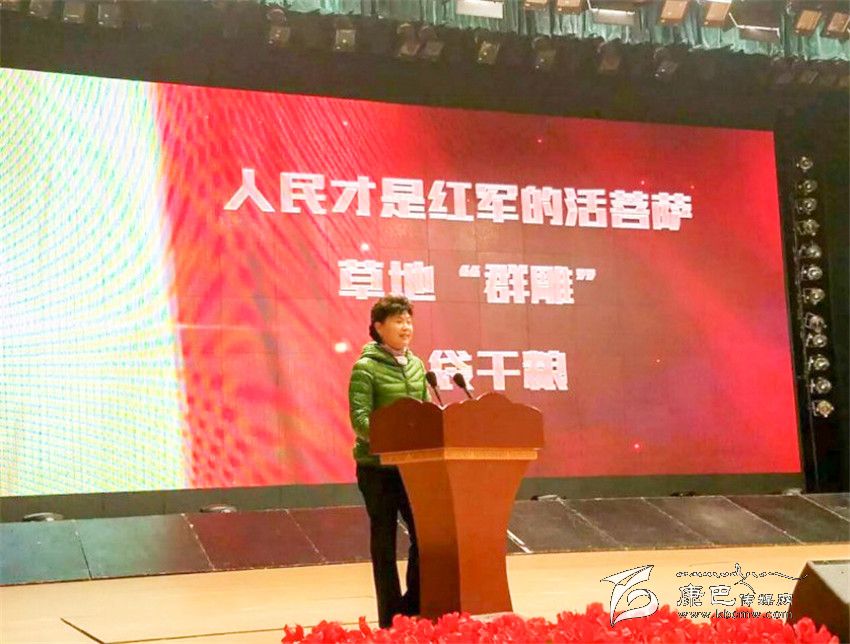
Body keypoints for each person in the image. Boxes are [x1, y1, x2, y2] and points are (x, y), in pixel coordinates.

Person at [348, 294, 430, 628]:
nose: (406, 327)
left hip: (412, 468)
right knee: (384, 543)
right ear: (379, 327)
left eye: (409, 320)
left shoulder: (417, 365)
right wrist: (391, 442)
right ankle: (389, 618)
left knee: (424, 537)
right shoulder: (365, 368)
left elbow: (425, 412)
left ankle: (411, 608)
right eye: (398, 321)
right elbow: (360, 420)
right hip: (376, 469)